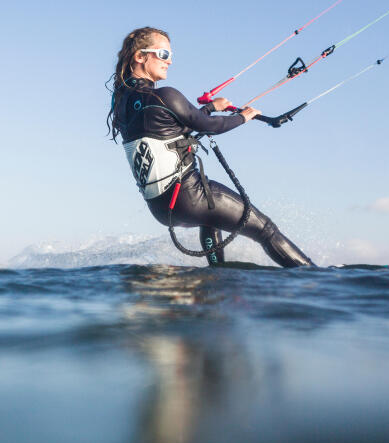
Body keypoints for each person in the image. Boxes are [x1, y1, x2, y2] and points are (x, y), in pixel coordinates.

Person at [107, 27, 315, 268]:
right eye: (163, 54)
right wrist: (243, 117)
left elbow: (173, 128)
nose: (170, 61)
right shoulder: (165, 96)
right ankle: (316, 280)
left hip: (162, 208)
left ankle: (217, 276)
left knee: (211, 218)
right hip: (189, 196)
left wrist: (210, 107)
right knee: (265, 229)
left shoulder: (122, 105)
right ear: (140, 56)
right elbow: (208, 126)